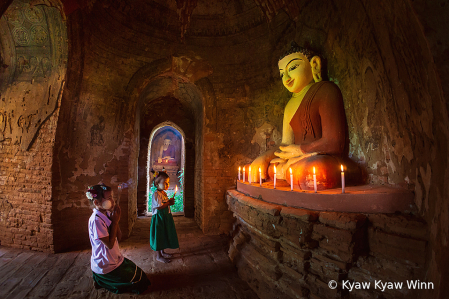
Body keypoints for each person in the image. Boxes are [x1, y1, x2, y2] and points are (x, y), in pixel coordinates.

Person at [249, 41, 362, 189]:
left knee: (317, 169)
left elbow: (334, 142)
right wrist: (264, 157)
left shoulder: (326, 90)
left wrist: (301, 150)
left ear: (314, 65)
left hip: (321, 157)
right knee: (262, 168)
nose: (286, 77)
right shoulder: (290, 105)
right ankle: (290, 173)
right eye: (282, 73)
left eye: (293, 67)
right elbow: (285, 144)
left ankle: (292, 173)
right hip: (296, 160)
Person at [86, 184, 151, 294]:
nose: (112, 201)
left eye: (112, 197)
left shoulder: (106, 214)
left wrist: (116, 219)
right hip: (105, 264)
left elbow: (119, 237)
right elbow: (110, 245)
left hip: (114, 258)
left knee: (140, 274)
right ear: (96, 203)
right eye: (108, 198)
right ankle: (101, 280)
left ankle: (102, 280)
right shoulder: (96, 221)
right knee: (139, 282)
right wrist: (115, 222)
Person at [149, 170, 179, 263]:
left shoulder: (163, 193)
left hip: (165, 217)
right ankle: (158, 255)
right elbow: (159, 206)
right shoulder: (156, 194)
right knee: (159, 236)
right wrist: (168, 203)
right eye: (165, 183)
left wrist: (170, 202)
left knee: (163, 235)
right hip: (159, 218)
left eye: (168, 183)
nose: (167, 185)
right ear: (157, 183)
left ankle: (163, 252)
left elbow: (165, 204)